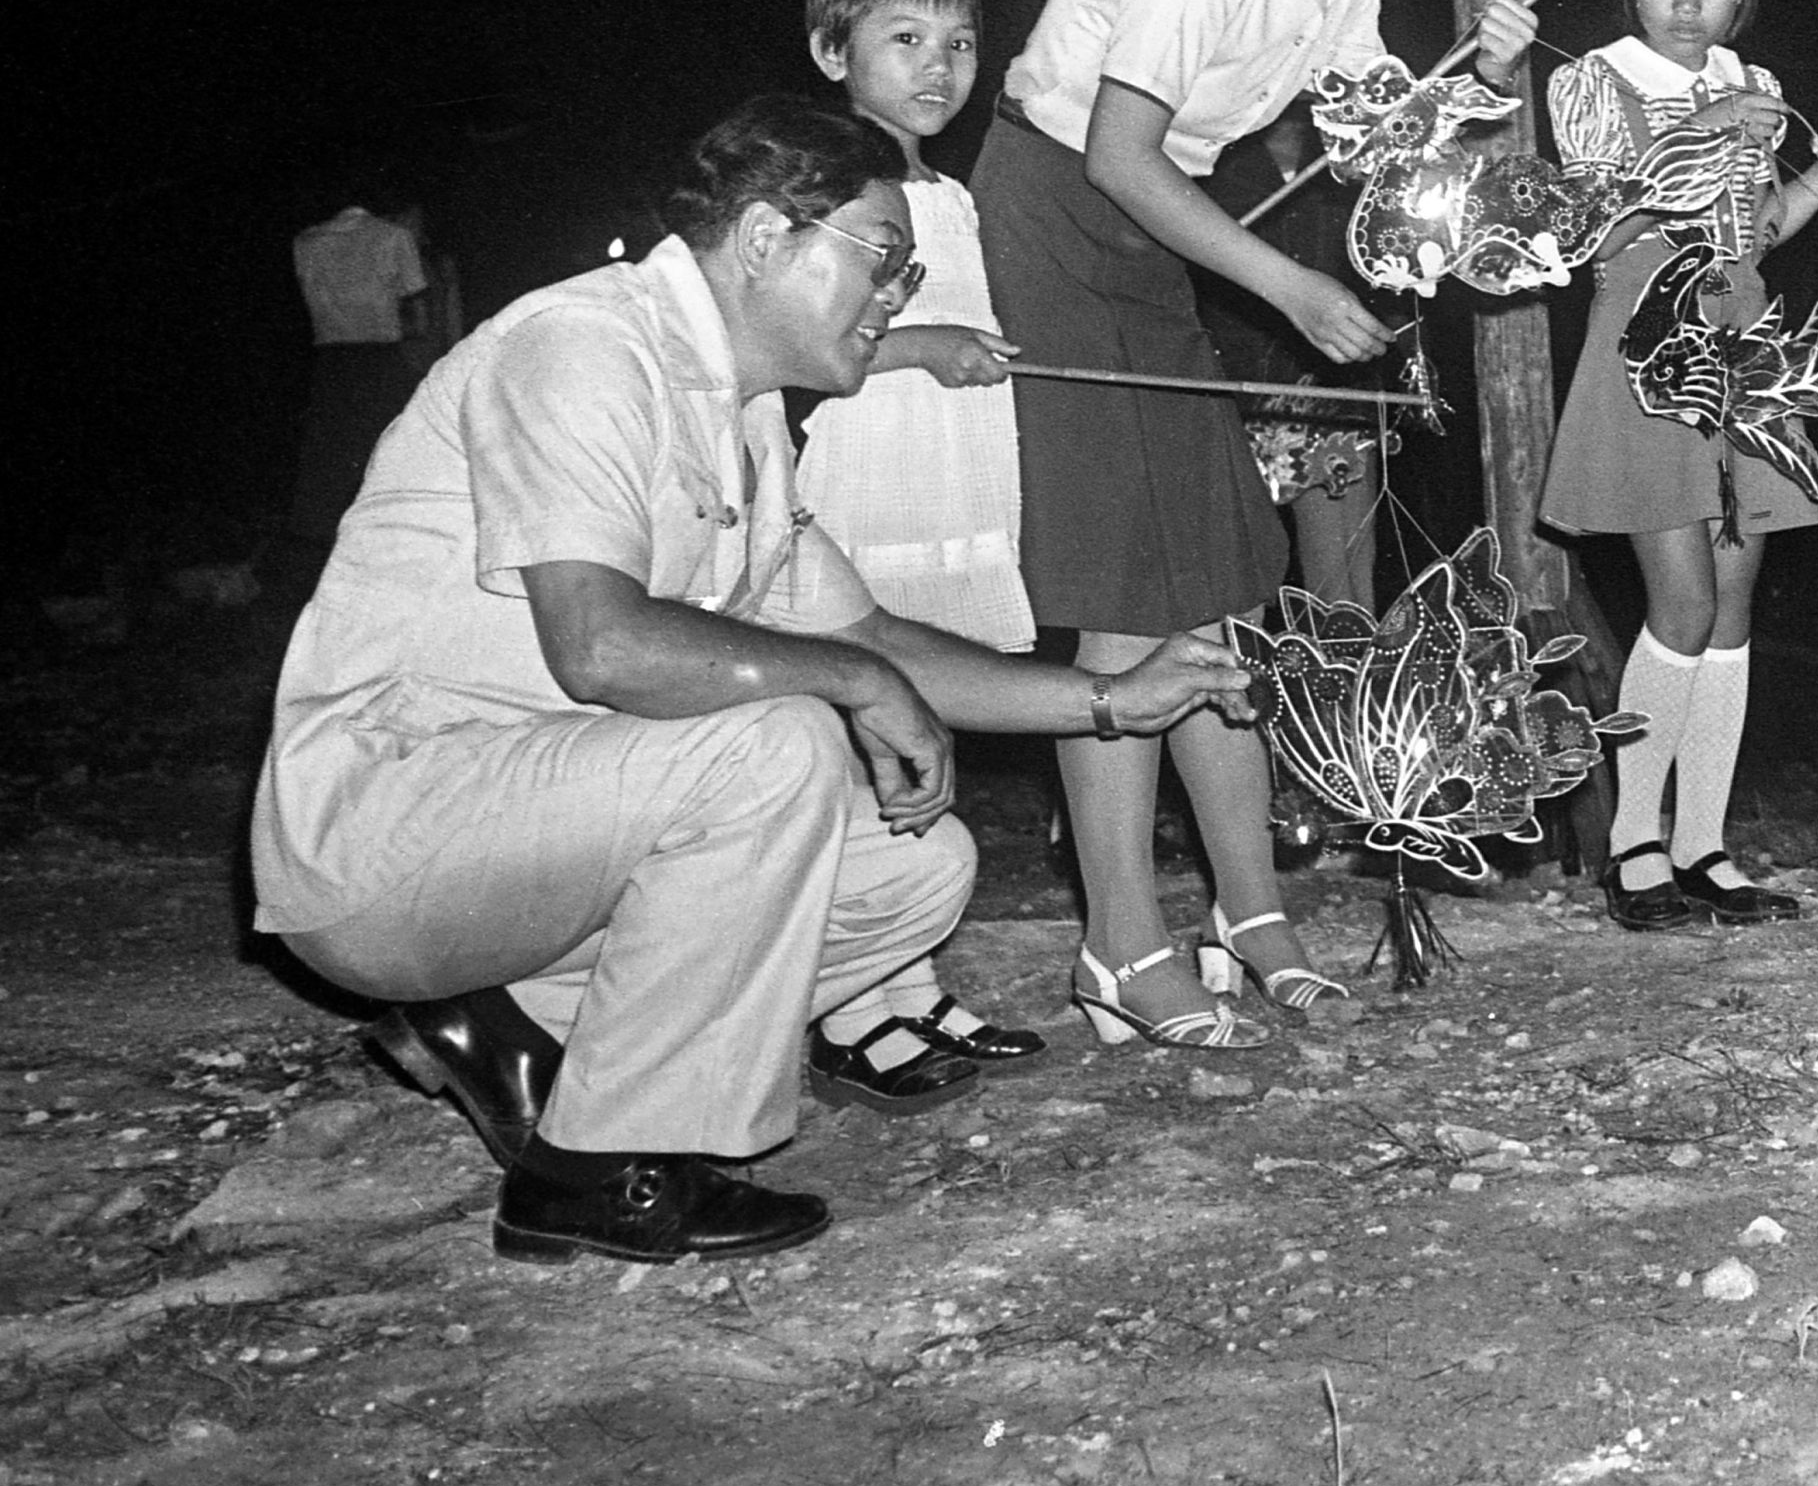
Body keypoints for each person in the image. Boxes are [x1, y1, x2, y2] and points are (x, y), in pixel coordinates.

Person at [253, 97, 1245, 1266]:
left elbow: (873, 634)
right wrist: (855, 684)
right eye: (882, 259)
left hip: (530, 828)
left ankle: (507, 1019)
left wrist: (1113, 700)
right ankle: (598, 1170)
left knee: (915, 870)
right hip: (388, 828)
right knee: (778, 744)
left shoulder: (748, 418)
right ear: (770, 236)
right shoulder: (583, 346)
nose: (898, 296)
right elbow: (602, 645)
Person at [980, 0, 1571, 1047]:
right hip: (1059, 215)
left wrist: (1479, 79)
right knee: (1125, 599)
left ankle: (1249, 913)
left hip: (1152, 230)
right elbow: (1115, 152)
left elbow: (1376, 147)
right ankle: (1118, 944)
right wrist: (1290, 289)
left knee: (1221, 581)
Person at [1537, 0, 1818, 931]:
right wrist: (1707, 126)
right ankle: (1633, 846)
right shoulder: (1590, 80)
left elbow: (1751, 230)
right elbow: (1599, 219)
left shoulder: (1751, 79)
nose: (1687, 1)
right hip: (1647, 345)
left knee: (1729, 603)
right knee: (1677, 602)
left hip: (1743, 346)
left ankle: (1703, 846)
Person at [789, 0, 1045, 1106]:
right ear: (831, 50)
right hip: (870, 468)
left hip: (953, 472)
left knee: (926, 725)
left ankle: (914, 980)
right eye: (905, 39)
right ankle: (849, 1002)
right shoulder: (822, 182)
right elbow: (803, 342)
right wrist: (921, 344)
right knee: (864, 732)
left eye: (960, 43)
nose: (939, 67)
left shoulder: (952, 193)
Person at [286, 186, 439, 551]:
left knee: (331, 451)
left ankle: (321, 538)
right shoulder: (394, 237)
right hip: (381, 356)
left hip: (331, 359)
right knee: (393, 445)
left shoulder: (306, 241)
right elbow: (418, 312)